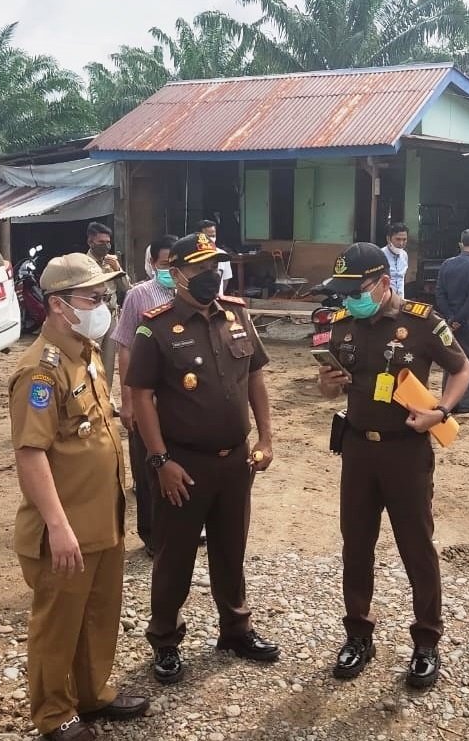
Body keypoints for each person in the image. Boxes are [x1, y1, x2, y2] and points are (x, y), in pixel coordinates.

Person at [317, 242, 469, 689]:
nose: (349, 300)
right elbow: (329, 392)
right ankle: (358, 635)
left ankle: (426, 643)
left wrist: (442, 411)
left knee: (416, 548)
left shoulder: (422, 323)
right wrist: (327, 384)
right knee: (356, 546)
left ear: (384, 283)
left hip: (407, 451)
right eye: (343, 292)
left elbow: (461, 370)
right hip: (358, 451)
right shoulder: (343, 326)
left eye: (357, 290)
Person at [7, 252, 148, 741]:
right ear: (59, 304)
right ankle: (53, 714)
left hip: (101, 516)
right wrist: (58, 527)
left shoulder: (85, 352)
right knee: (58, 624)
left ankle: (92, 694)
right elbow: (31, 454)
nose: (104, 305)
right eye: (94, 297)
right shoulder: (40, 373)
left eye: (105, 296)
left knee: (99, 612)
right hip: (64, 525)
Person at [126, 232, 278, 685]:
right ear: (177, 276)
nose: (212, 277)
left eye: (216, 268)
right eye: (201, 270)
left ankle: (235, 630)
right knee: (175, 558)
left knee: (231, 551)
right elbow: (142, 397)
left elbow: (255, 380)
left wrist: (266, 439)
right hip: (183, 466)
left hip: (235, 463)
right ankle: (166, 640)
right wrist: (160, 460)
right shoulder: (155, 327)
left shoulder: (236, 317)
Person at [113, 234, 179, 556]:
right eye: (164, 264)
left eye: (174, 264)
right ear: (153, 264)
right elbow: (125, 348)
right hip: (145, 399)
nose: (169, 270)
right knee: (149, 466)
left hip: (179, 402)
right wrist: (127, 402)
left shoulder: (191, 294)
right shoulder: (139, 296)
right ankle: (153, 536)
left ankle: (185, 529)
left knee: (179, 462)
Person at [434, 229, 469, 414]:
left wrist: (450, 317)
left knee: (450, 358)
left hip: (447, 319)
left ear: (460, 244)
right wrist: (458, 319)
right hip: (467, 321)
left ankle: (448, 399)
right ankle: (467, 400)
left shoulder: (447, 264)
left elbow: (439, 293)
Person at [85, 221, 131, 393]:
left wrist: (118, 269)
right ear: (90, 242)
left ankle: (106, 396)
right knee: (91, 359)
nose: (105, 246)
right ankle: (90, 396)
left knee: (109, 360)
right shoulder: (84, 263)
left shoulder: (111, 262)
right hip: (92, 315)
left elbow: (127, 288)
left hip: (111, 315)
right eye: (101, 242)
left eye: (108, 242)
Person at [198, 219, 234, 295]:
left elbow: (225, 280)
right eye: (207, 236)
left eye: (213, 236)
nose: (211, 239)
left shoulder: (222, 254)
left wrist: (219, 294)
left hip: (217, 300)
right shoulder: (191, 255)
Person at [381, 223, 410, 296]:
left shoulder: (404, 255)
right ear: (388, 239)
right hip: (384, 301)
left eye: (404, 239)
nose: (401, 243)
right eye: (398, 239)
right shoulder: (380, 255)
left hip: (400, 300)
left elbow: (403, 278)